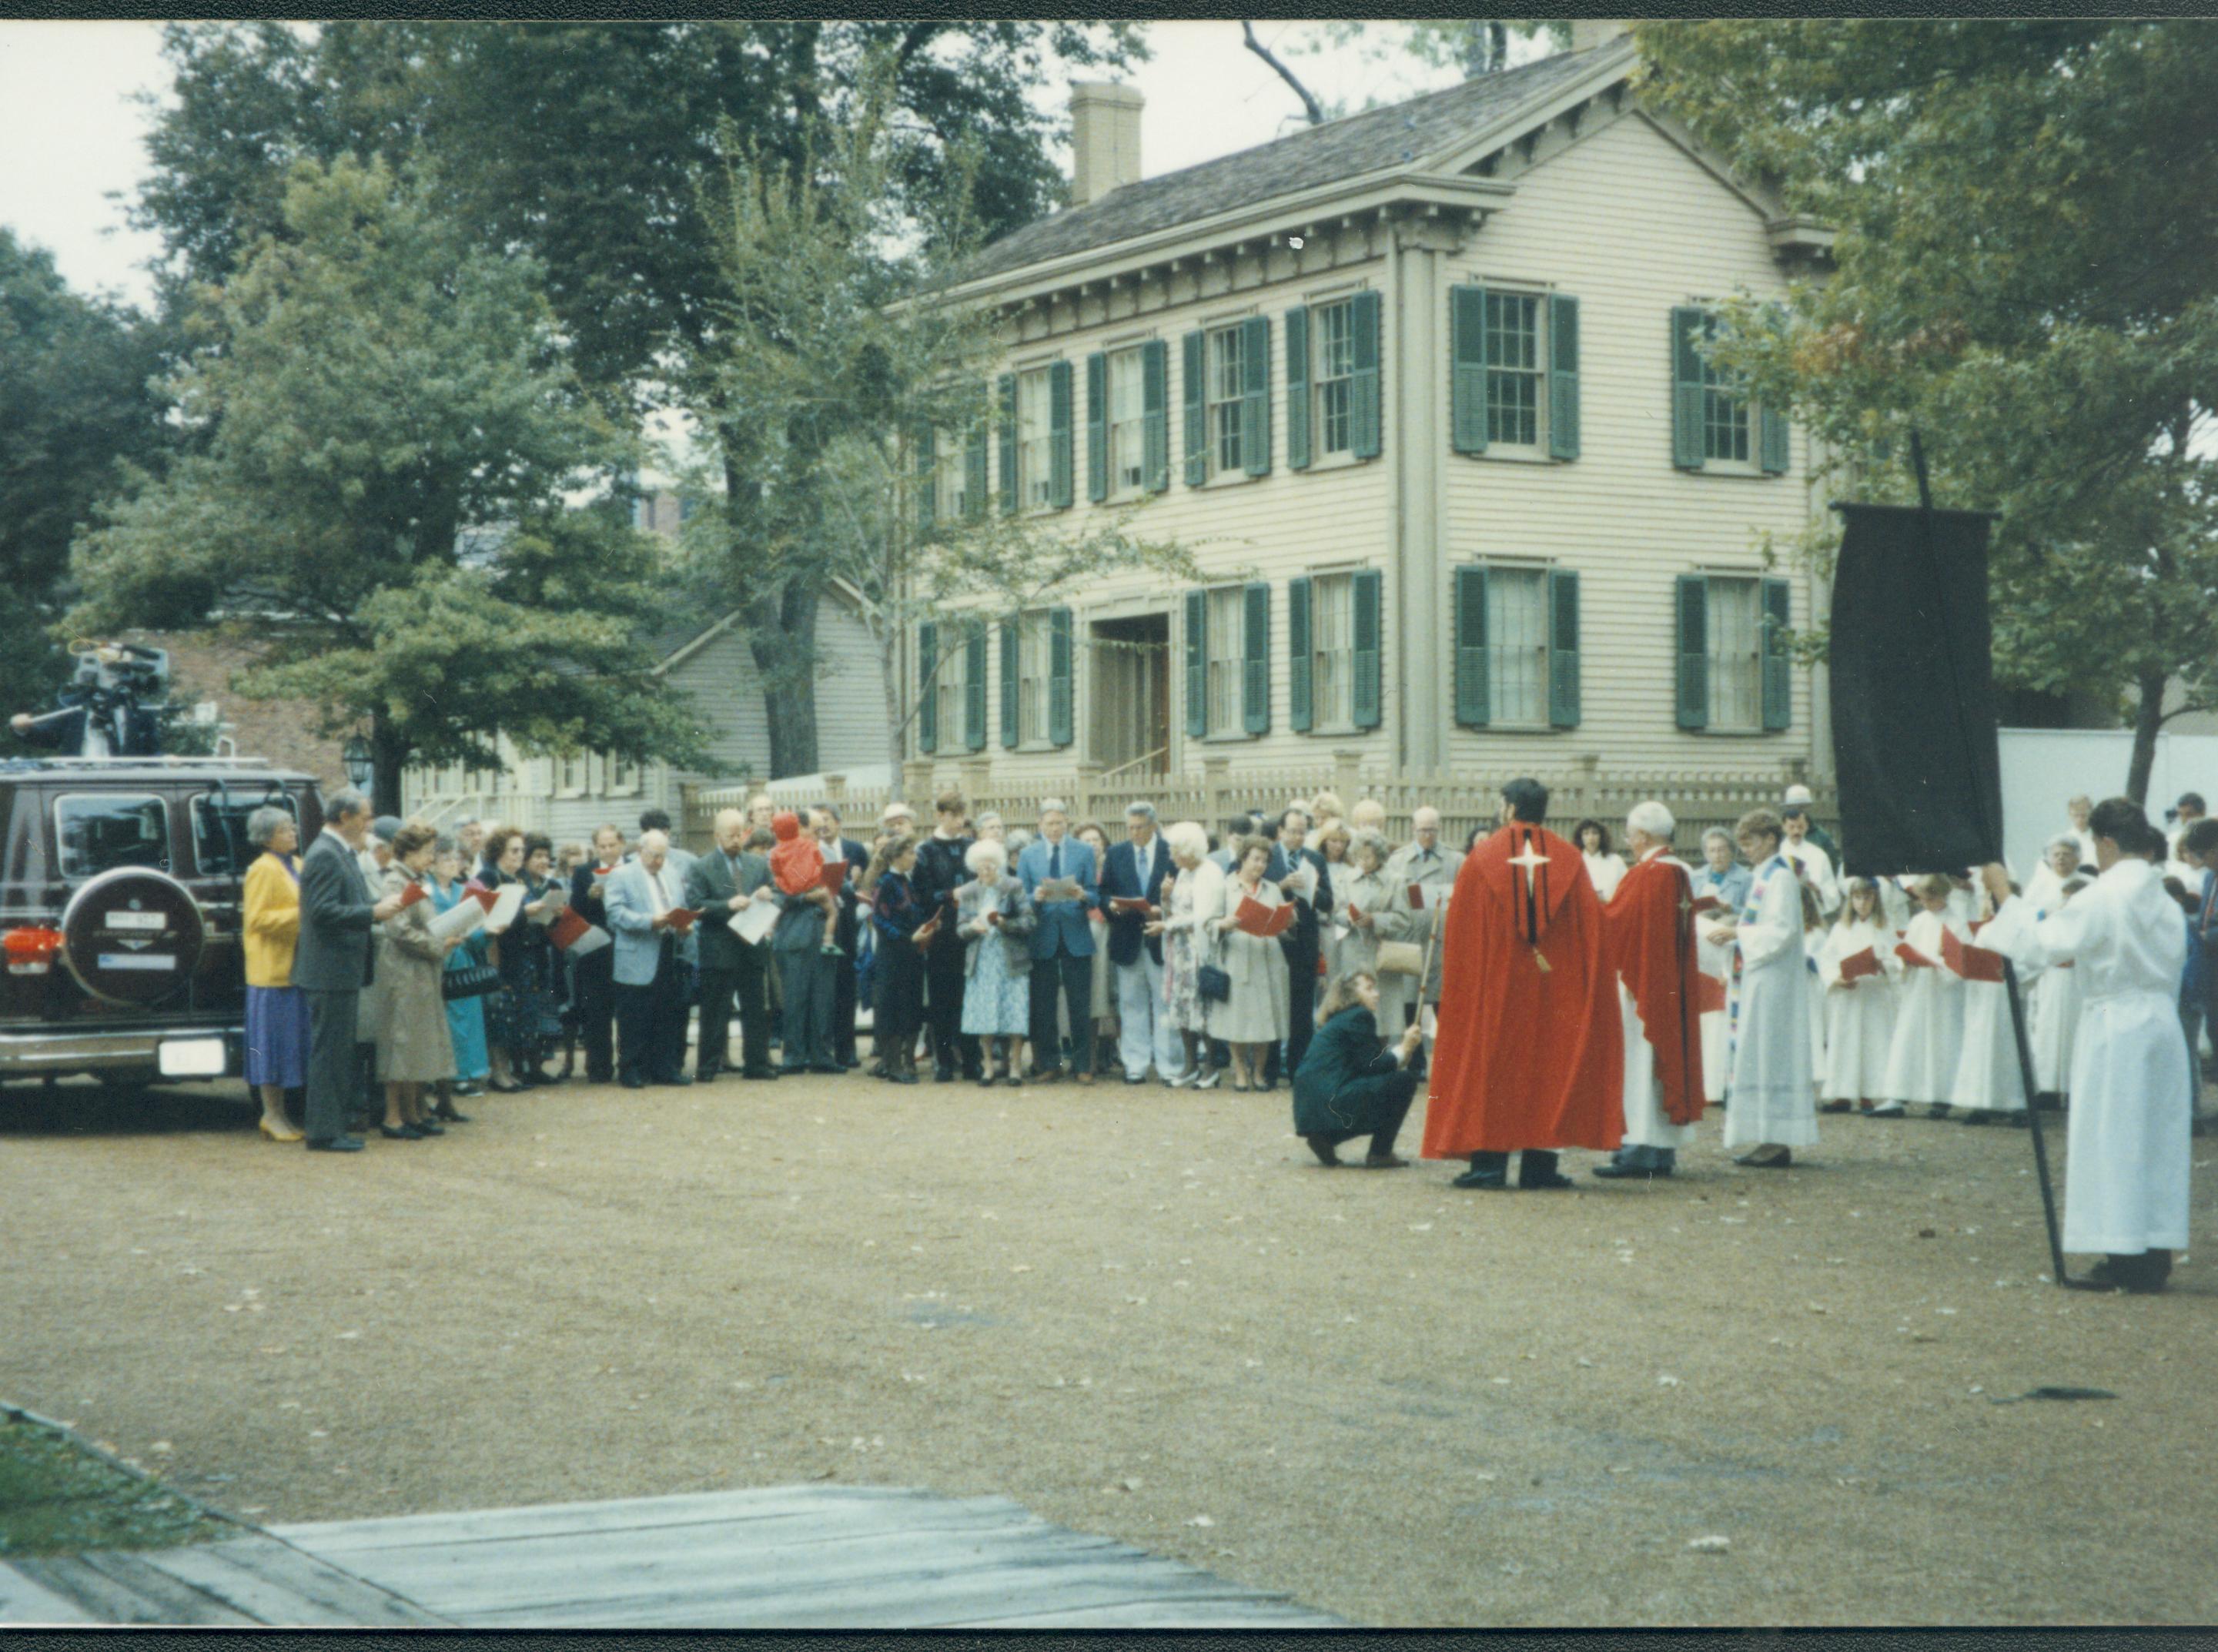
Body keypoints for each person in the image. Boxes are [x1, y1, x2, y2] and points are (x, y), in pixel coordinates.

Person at [1977, 800, 2191, 1292]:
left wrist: (2004, 894)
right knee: (2155, 1140)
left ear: (2108, 844)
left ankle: (2125, 1255)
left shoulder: (2104, 895)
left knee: (2115, 1138)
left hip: (2117, 1024)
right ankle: (2153, 1251)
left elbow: (2039, 943)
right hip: (2161, 1021)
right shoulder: (2161, 897)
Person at [1426, 778, 1620, 1190]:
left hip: (1496, 988)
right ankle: (1539, 1168)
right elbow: (1592, 931)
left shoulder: (1482, 858)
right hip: (1554, 988)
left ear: (1511, 809)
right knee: (1549, 1069)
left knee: (1493, 1068)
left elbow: (1460, 934)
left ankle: (1489, 1166)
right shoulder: (1570, 859)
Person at [1593, 802, 1704, 1179]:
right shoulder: (1680, 873)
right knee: (1662, 1061)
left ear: (1642, 836)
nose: (1628, 842)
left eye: (1630, 835)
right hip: (1669, 984)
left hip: (1641, 987)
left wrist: (1589, 906)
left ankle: (1640, 1149)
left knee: (1641, 1062)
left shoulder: (1647, 875)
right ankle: (1661, 1151)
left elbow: (1615, 923)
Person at [295, 787, 404, 1152]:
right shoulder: (326, 854)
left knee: (337, 1050)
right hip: (329, 969)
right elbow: (322, 911)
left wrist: (378, 905)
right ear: (345, 817)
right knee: (330, 1052)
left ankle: (331, 1126)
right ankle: (324, 1131)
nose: (369, 824)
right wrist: (373, 912)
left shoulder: (336, 852)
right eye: (365, 816)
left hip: (339, 969)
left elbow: (345, 903)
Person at [1710, 808, 1814, 1168]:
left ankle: (1777, 1138)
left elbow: (1781, 931)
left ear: (1770, 839)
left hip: (1773, 981)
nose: (1747, 851)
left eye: (1751, 843)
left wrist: (1738, 932)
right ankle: (1767, 1135)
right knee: (1760, 1053)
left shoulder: (1781, 878)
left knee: (1772, 1054)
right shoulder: (1763, 875)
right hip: (1758, 976)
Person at [370, 822, 462, 1139]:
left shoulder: (415, 880)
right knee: (400, 1038)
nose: (430, 858)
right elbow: (399, 929)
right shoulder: (396, 881)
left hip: (420, 969)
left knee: (417, 1040)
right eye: (426, 853)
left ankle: (413, 1111)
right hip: (402, 969)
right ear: (409, 852)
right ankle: (393, 1116)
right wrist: (438, 945)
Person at [1294, 971, 1423, 1169]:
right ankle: (1380, 1152)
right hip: (1332, 1099)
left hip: (1311, 1110)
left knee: (1384, 1085)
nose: (1377, 994)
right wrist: (1404, 1047)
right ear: (1350, 994)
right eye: (1369, 989)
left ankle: (1326, 1137)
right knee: (1403, 1081)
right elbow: (1373, 1065)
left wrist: (1403, 1051)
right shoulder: (1359, 1016)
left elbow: (1366, 1066)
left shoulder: (1339, 1019)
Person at [686, 808, 778, 1081]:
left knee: (756, 1008)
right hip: (719, 946)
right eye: (731, 835)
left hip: (752, 944)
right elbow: (695, 904)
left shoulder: (758, 864)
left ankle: (757, 1064)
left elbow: (775, 892)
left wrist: (767, 892)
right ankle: (708, 1066)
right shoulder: (701, 867)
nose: (737, 840)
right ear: (717, 835)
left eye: (740, 834)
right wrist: (727, 904)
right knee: (715, 1010)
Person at [1099, 801, 1184, 1086]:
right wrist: (1112, 906)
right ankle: (1135, 1064)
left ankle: (1169, 1066)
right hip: (1127, 937)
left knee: (1165, 1003)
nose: (1134, 833)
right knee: (1131, 1003)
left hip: (1161, 936)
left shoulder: (1169, 853)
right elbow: (1104, 892)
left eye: (1140, 827)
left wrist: (1164, 906)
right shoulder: (1117, 853)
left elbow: (1183, 890)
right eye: (1130, 828)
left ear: (1153, 826)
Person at [604, 829, 694, 1088]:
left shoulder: (671, 873)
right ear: (641, 851)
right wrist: (648, 922)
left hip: (668, 948)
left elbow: (682, 906)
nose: (659, 862)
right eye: (654, 856)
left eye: (663, 856)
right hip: (638, 949)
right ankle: (631, 1069)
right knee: (634, 1015)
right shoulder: (622, 875)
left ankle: (664, 1068)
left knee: (667, 1012)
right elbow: (615, 913)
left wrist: (685, 925)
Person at [241, 804, 309, 1143]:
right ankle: (270, 1113)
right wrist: (301, 914)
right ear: (267, 837)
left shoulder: (297, 865)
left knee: (290, 1045)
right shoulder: (262, 869)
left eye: (292, 827)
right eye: (285, 829)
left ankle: (283, 1112)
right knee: (270, 1046)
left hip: (297, 969)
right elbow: (256, 919)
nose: (293, 833)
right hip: (272, 972)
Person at [1019, 798, 1099, 1085]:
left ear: (1067, 823)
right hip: (1043, 934)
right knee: (1044, 1004)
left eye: (1060, 822)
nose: (1055, 828)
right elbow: (1021, 896)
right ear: (1040, 825)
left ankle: (1082, 1065)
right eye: (1050, 823)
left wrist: (1083, 896)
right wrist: (1034, 898)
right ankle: (1050, 1063)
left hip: (1075, 932)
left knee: (1080, 1003)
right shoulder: (1028, 855)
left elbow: (1095, 893)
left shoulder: (1083, 851)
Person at [1876, 875, 1969, 1118]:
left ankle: (1942, 1098)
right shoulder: (1918, 921)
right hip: (1918, 988)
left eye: (1932, 898)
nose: (1927, 903)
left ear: (1944, 895)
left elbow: (1962, 959)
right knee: (1910, 1037)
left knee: (1942, 1041)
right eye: (1923, 899)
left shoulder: (1957, 922)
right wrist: (1905, 960)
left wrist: (1941, 961)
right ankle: (1898, 1095)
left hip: (1943, 992)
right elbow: (1906, 949)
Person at [1208, 836, 1292, 1092]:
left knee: (1265, 1018)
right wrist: (1224, 924)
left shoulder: (1272, 889)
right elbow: (1210, 922)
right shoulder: (1224, 887)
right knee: (1238, 1018)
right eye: (1255, 859)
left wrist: (1288, 919)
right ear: (1243, 858)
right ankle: (1240, 1072)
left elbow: (1283, 927)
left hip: (1268, 959)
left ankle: (1259, 1072)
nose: (1260, 865)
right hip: (1238, 956)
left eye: (1265, 861)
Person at [1815, 878, 1902, 1115]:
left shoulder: (1885, 927)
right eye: (1857, 898)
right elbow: (1827, 958)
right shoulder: (1841, 928)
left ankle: (1868, 1094)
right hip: (1848, 993)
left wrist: (1885, 966)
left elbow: (1898, 958)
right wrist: (1836, 978)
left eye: (1867, 898)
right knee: (1844, 1042)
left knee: (1871, 1043)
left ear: (1876, 899)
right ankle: (1842, 1094)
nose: (1862, 903)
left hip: (1874, 993)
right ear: (1850, 900)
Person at [1375, 807, 1459, 1048]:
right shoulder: (1397, 860)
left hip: (1441, 942)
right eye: (1422, 830)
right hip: (1408, 940)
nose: (1427, 836)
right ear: (1413, 829)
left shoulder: (1454, 860)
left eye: (1432, 830)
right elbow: (1387, 898)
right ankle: (1414, 1060)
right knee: (1410, 1003)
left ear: (1439, 829)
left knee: (1443, 1003)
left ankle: (1447, 1058)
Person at [1152, 821, 1226, 1090]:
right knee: (1182, 1007)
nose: (1171, 855)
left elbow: (1204, 916)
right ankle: (1190, 1065)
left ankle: (1212, 1066)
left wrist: (1168, 925)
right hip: (1179, 951)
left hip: (1201, 951)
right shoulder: (1183, 872)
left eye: (1175, 850)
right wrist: (1164, 897)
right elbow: (1174, 910)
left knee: (1202, 1009)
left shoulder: (1210, 872)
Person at [956, 838, 1035, 1085]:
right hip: (982, 960)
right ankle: (988, 1066)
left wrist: (1004, 923)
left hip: (1009, 958)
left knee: (1015, 1013)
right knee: (985, 1014)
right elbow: (959, 929)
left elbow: (1030, 922)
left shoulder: (1013, 886)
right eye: (980, 867)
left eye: (989, 866)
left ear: (999, 865)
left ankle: (1015, 1067)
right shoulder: (969, 891)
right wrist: (972, 928)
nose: (985, 871)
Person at [768, 811, 841, 1075]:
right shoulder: (775, 856)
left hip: (822, 930)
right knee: (795, 997)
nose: (818, 833)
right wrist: (807, 898)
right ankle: (794, 1055)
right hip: (793, 933)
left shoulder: (820, 853)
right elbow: (777, 896)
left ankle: (822, 1054)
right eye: (815, 828)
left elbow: (833, 887)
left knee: (822, 997)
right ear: (799, 828)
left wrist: (832, 897)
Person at [913, 792, 979, 1083]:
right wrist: (951, 894)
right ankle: (943, 1061)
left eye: (961, 814)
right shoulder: (926, 851)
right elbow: (923, 894)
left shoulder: (971, 847)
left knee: (969, 996)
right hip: (941, 933)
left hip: (970, 931)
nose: (958, 821)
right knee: (942, 999)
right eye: (952, 815)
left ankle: (971, 1060)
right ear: (940, 815)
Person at [1267, 808, 1333, 1085]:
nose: (1297, 837)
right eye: (1292, 831)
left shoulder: (1315, 858)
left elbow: (1329, 901)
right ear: (1281, 831)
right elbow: (1256, 889)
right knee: (1273, 1004)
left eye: (1302, 831)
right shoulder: (1268, 857)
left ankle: (1298, 1071)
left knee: (1301, 1008)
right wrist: (1282, 885)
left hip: (1305, 941)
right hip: (1274, 938)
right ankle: (1269, 1070)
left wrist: (1312, 890)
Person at [427, 833, 489, 1112]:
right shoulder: (426, 889)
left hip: (461, 957)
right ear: (433, 861)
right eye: (446, 858)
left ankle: (469, 1073)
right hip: (437, 956)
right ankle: (446, 1076)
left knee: (468, 1015)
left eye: (456, 859)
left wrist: (486, 930)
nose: (453, 864)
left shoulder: (463, 890)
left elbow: (472, 928)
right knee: (444, 1019)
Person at [1691, 828, 1751, 1106]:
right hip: (1702, 948)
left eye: (1722, 850)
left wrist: (1731, 908)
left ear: (1732, 851)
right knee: (1703, 1020)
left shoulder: (1745, 878)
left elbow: (1753, 914)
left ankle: (1728, 1083)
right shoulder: (1696, 877)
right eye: (1712, 850)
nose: (1717, 855)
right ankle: (1703, 1082)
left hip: (1729, 945)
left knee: (1726, 1017)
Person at [865, 834, 931, 1084]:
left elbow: (914, 912)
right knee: (891, 1005)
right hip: (892, 955)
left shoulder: (907, 880)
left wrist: (926, 928)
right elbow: (880, 919)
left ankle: (906, 1060)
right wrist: (906, 938)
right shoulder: (885, 882)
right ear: (897, 857)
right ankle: (892, 1063)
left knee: (910, 1003)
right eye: (910, 853)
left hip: (911, 953)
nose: (915, 857)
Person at [812, 805, 871, 1068]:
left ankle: (847, 1050)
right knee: (825, 988)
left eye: (827, 820)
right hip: (821, 921)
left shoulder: (856, 850)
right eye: (818, 822)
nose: (823, 826)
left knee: (847, 986)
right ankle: (823, 1048)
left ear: (838, 822)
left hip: (847, 923)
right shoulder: (810, 850)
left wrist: (855, 883)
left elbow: (867, 885)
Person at [568, 824, 626, 1085]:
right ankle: (599, 1067)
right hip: (596, 949)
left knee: (628, 1009)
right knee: (597, 1011)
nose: (608, 850)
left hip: (628, 943)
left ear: (621, 844)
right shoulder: (583, 872)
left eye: (612, 845)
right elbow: (574, 911)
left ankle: (629, 1063)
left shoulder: (633, 866)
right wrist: (589, 896)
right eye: (602, 846)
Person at [1072, 821, 1118, 1076]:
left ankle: (1109, 1051)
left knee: (1111, 993)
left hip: (1111, 933)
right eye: (1086, 841)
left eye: (1096, 840)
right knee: (1092, 994)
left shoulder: (1112, 867)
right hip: (1086, 933)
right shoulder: (1076, 868)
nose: (1092, 845)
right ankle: (1088, 1056)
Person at [1326, 828, 1393, 993]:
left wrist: (1375, 919)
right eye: (1359, 857)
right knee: (1354, 997)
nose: (1363, 862)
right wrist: (1348, 917)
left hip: (1382, 951)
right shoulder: (1346, 879)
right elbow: (1336, 911)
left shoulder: (1395, 881)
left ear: (1379, 856)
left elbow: (1404, 919)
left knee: (1379, 1003)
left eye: (1368, 857)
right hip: (1353, 949)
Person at [1780, 803, 1840, 917]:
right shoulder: (1777, 853)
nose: (1796, 832)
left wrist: (1817, 890)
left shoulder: (1819, 855)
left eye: (1800, 827)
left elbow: (1832, 892)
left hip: (1813, 915)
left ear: (1807, 826)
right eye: (1792, 827)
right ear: (1783, 827)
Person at [1781, 784, 1840, 866]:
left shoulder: (1822, 838)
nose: (1798, 811)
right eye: (1793, 807)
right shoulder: (1780, 838)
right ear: (1787, 808)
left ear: (1809, 807)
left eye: (1802, 807)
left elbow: (1833, 868)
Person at [1574, 819, 1628, 902]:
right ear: (1580, 837)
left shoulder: (1615, 861)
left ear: (1601, 836)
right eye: (1586, 833)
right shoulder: (1576, 861)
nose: (1591, 838)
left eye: (1595, 833)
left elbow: (1626, 889)